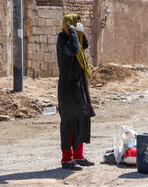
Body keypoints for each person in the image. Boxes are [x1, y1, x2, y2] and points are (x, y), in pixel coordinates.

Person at [56, 14, 96, 170]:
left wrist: (80, 31)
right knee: (68, 123)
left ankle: (78, 156)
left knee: (81, 119)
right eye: (75, 23)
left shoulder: (75, 39)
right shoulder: (62, 40)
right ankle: (66, 159)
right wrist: (72, 31)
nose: (77, 24)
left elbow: (83, 45)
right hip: (67, 88)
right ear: (68, 25)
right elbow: (73, 50)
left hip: (78, 86)